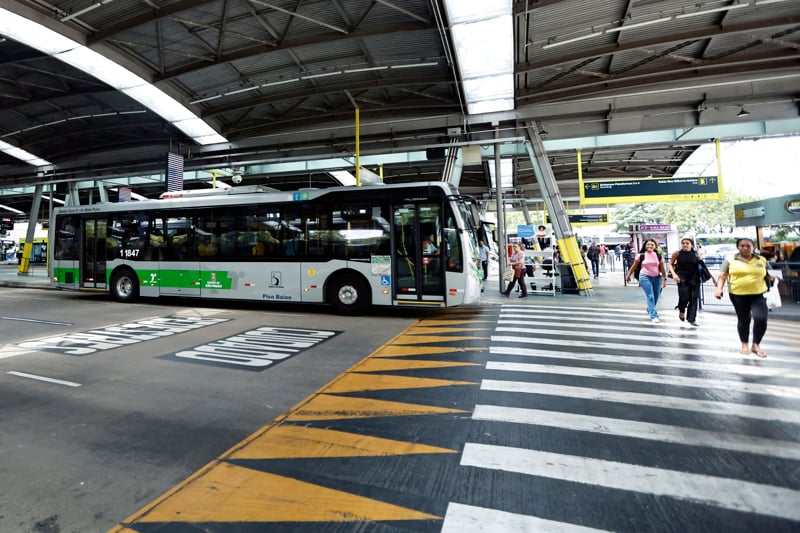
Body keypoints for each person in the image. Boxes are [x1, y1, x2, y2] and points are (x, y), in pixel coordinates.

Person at [714, 238, 773, 357]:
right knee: (744, 320)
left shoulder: (761, 259)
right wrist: (719, 289)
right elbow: (723, 276)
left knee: (761, 319)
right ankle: (744, 344)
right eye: (742, 246)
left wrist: (773, 277)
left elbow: (770, 274)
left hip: (758, 294)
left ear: (753, 247)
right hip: (738, 295)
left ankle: (756, 344)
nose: (745, 248)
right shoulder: (730, 260)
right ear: (737, 247)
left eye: (748, 246)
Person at [625, 238, 668, 323]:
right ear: (645, 246)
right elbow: (633, 266)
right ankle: (654, 316)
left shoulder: (659, 256)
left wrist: (664, 279)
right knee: (650, 296)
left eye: (652, 245)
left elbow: (662, 269)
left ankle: (650, 309)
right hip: (645, 277)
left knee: (656, 296)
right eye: (648, 244)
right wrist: (628, 275)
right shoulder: (641, 255)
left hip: (657, 278)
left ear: (655, 246)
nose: (650, 246)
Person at [668, 237, 707, 326]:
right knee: (684, 296)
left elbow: (702, 265)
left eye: (687, 243)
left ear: (691, 245)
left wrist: (712, 278)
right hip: (681, 277)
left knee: (694, 298)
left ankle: (692, 319)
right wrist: (674, 274)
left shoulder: (696, 254)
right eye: (683, 243)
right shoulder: (677, 253)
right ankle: (682, 310)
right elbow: (670, 264)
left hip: (694, 277)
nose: (685, 245)